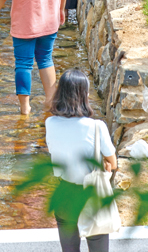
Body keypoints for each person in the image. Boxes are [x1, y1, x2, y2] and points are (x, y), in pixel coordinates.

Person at [45, 69, 117, 252]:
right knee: (98, 244)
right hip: (90, 194)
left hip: (64, 194)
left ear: (60, 94)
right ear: (84, 94)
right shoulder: (96, 126)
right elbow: (113, 163)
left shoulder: (50, 123)